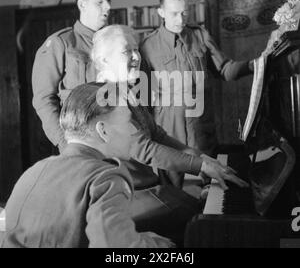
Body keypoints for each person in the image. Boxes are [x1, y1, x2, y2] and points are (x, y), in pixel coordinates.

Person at [1, 83, 175, 248]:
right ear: (103, 131)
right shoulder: (105, 178)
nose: (133, 132)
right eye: (128, 122)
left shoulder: (32, 172)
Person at [90, 25, 248, 191]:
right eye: (126, 51)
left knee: (201, 198)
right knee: (196, 206)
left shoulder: (127, 90)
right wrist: (200, 165)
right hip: (130, 194)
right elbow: (144, 149)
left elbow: (158, 135)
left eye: (136, 49)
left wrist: (202, 157)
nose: (136, 57)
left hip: (148, 185)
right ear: (104, 60)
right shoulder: (106, 95)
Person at [139, 0, 261, 186]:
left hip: (201, 130)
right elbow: (143, 96)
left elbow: (225, 70)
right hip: (168, 133)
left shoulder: (200, 36)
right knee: (172, 194)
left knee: (211, 188)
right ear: (160, 12)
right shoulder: (147, 47)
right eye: (174, 13)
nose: (181, 19)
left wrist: (256, 64)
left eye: (184, 12)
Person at [32, 0, 111, 152]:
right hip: (76, 141)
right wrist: (64, 142)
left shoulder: (113, 43)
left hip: (111, 137)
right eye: (100, 2)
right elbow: (43, 99)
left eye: (108, 1)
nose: (108, 6)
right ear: (82, 4)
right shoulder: (61, 43)